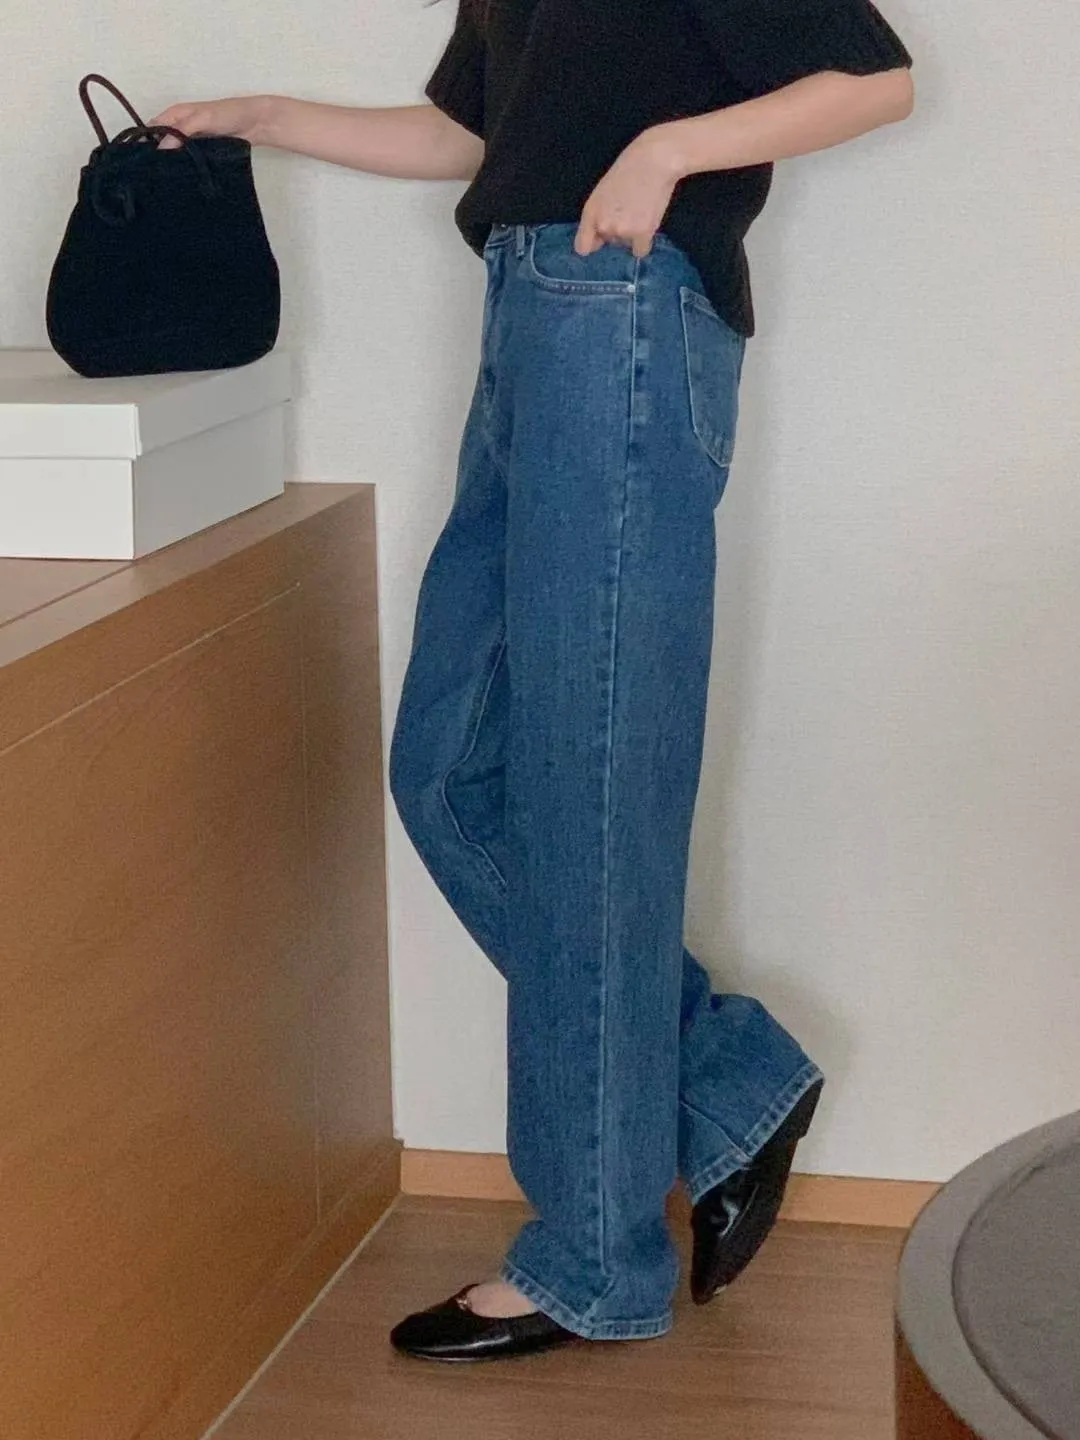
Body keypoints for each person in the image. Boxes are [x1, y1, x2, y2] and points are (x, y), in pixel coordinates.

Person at [156, 0, 913, 1364]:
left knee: (588, 793)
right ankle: (725, 1078)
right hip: (533, 314)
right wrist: (260, 118)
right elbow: (469, 135)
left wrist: (667, 150)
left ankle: (594, 1258)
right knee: (452, 772)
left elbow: (871, 81)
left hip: (624, 316)